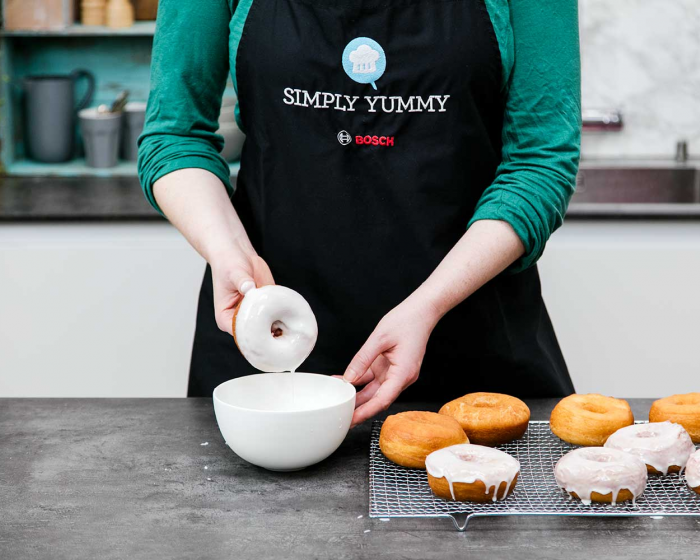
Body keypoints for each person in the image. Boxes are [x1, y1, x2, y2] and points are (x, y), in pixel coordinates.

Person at [138, 0, 581, 426]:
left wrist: (427, 307)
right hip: (263, 338)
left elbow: (539, 161)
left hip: (470, 348)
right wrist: (227, 250)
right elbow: (175, 136)